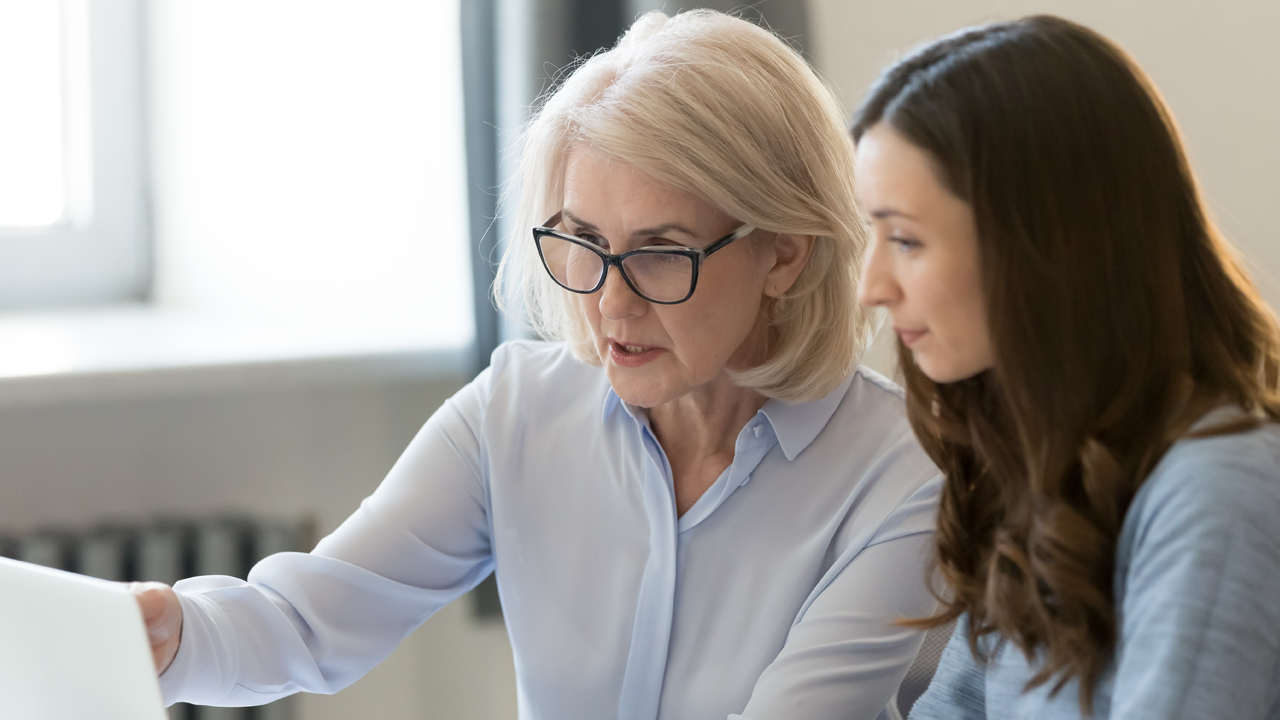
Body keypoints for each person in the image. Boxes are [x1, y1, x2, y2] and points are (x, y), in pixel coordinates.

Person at [132, 10, 943, 720]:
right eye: (584, 242)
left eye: (661, 253)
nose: (611, 306)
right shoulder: (515, 412)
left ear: (786, 255)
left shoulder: (903, 477)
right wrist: (175, 631)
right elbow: (306, 620)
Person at [852, 14, 1280, 720]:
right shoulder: (1050, 470)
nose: (872, 286)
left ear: (1042, 248)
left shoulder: (1221, 487)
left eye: (905, 239)